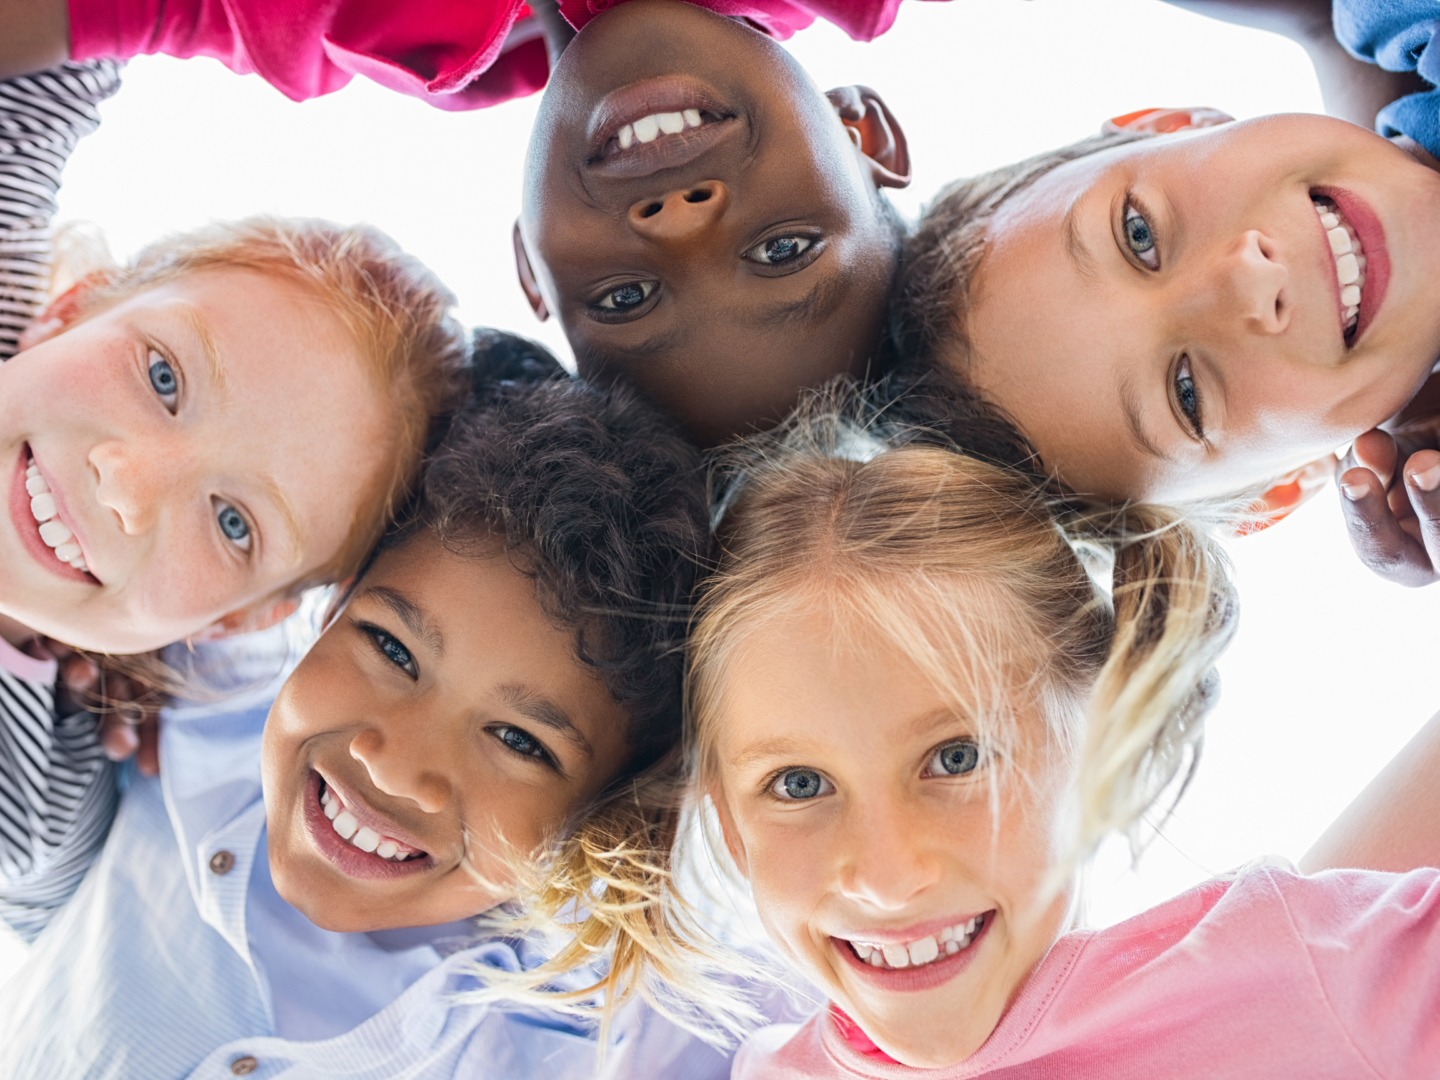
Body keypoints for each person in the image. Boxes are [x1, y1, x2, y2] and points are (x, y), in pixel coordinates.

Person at [0, 335, 775, 1078]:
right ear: (335, 597)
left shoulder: (605, 1040)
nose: (396, 765)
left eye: (519, 740)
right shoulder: (173, 711)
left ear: (607, 807)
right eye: (392, 650)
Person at [663, 388, 1440, 1077]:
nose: (888, 878)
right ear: (727, 822)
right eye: (798, 785)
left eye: (956, 758)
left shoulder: (1289, 982)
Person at [0, 60, 470, 938]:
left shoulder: (31, 805)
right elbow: (54, 54)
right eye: (164, 376)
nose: (126, 485)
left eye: (231, 524)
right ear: (75, 307)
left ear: (230, 622)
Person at [514, 0, 910, 443]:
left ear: (528, 262)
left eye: (626, 297)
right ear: (864, 136)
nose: (679, 217)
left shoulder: (436, 42)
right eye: (782, 249)